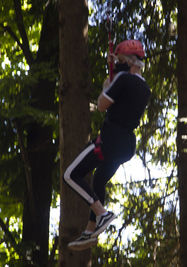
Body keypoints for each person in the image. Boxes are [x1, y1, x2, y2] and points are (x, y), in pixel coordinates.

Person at [64, 39, 151, 250]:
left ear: (130, 62)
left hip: (110, 141)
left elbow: (102, 105)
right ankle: (90, 230)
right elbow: (121, 101)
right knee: (99, 180)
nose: (118, 64)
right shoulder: (144, 88)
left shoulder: (122, 78)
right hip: (126, 146)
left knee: (70, 175)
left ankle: (102, 214)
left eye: (121, 60)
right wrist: (114, 72)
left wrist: (108, 83)